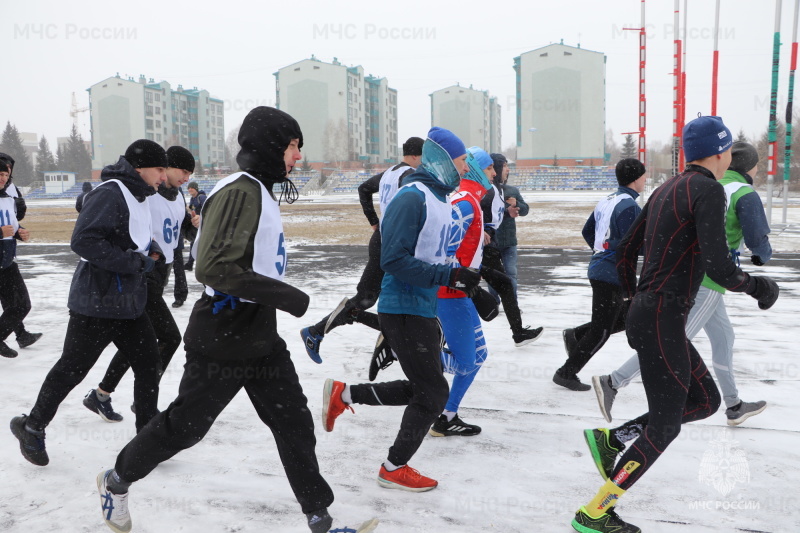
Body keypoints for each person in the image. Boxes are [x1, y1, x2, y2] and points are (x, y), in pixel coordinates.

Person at [95, 108, 376, 533]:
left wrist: (271, 301)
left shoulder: (260, 190)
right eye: (293, 146)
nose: (297, 157)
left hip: (258, 333)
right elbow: (211, 266)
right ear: (270, 145)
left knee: (293, 422)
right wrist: (288, 296)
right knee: (184, 429)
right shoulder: (240, 190)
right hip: (221, 336)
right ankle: (115, 482)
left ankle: (319, 518)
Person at [571, 116, 779, 533]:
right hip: (663, 316)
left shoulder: (666, 188)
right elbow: (720, 266)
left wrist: (635, 301)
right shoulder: (708, 190)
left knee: (705, 400)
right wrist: (758, 287)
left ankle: (614, 439)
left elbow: (626, 251)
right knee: (665, 428)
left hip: (653, 313)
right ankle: (595, 512)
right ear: (722, 154)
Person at [322, 127, 481, 493]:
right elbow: (393, 260)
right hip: (403, 306)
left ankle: (343, 395)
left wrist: (472, 283)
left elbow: (438, 256)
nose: (464, 169)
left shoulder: (441, 199)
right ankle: (394, 467)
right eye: (460, 162)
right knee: (433, 393)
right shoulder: (413, 197)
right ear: (442, 160)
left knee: (423, 388)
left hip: (422, 305)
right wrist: (450, 276)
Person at [10, 139, 167, 467]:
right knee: (73, 369)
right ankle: (32, 426)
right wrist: (136, 263)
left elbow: (128, 237)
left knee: (149, 360)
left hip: (127, 302)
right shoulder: (110, 192)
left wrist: (150, 248)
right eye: (160, 169)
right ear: (140, 168)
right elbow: (83, 241)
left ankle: (146, 439)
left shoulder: (140, 195)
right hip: (96, 302)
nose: (163, 176)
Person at [592, 141, 773, 426]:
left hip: (702, 276)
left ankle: (734, 404)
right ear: (749, 166)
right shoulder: (742, 192)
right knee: (668, 341)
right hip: (707, 279)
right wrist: (762, 261)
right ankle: (612, 382)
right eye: (756, 164)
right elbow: (758, 240)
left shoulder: (710, 183)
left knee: (724, 338)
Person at [83, 146, 199, 422]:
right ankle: (143, 399)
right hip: (143, 273)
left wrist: (191, 224)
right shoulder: (148, 192)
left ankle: (100, 395)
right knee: (168, 337)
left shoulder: (177, 194)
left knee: (138, 343)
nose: (186, 178)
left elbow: (176, 226)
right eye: (183, 172)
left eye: (189, 174)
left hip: (161, 274)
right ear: (166, 167)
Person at [299, 137, 423, 363]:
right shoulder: (408, 176)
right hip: (389, 244)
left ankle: (392, 343)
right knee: (366, 299)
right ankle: (315, 332)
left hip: (385, 240)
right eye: (423, 159)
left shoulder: (389, 173)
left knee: (391, 299)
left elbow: (364, 188)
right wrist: (376, 221)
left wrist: (374, 221)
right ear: (416, 156)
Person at [553, 159, 646, 392]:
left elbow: (587, 231)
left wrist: (600, 250)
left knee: (621, 320)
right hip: (611, 273)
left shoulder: (607, 200)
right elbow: (630, 246)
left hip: (600, 268)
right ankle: (566, 372)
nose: (645, 180)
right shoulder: (630, 207)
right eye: (644, 176)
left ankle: (577, 334)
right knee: (602, 331)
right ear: (635, 179)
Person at [429, 146, 497, 437]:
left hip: (461, 293)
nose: (494, 173)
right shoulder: (466, 202)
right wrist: (461, 280)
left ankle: (446, 416)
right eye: (490, 167)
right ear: (478, 168)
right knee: (467, 361)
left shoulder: (469, 201)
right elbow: (443, 249)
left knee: (478, 356)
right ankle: (402, 350)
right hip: (450, 294)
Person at [480, 163, 543, 347]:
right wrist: (482, 230)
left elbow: (521, 209)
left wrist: (512, 208)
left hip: (501, 243)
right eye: (492, 168)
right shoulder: (485, 190)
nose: (502, 171)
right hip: (482, 246)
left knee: (507, 281)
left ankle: (517, 331)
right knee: (466, 289)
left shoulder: (504, 189)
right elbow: (476, 212)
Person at [0, 152, 42, 350]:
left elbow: (12, 225)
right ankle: (21, 335)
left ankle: (21, 335)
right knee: (14, 305)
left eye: (6, 174)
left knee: (20, 305)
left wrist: (19, 233)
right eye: (0, 173)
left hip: (6, 260)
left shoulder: (9, 197)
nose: (3, 177)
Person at [486, 153, 528, 296]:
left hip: (509, 241)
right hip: (491, 242)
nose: (508, 170)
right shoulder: (486, 190)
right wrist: (505, 210)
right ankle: (494, 303)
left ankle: (512, 303)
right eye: (504, 166)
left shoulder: (512, 190)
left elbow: (525, 209)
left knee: (511, 275)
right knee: (493, 276)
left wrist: (518, 206)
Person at [170, 184, 192, 308]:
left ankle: (180, 294)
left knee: (178, 268)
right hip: (158, 238)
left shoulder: (177, 189)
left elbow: (182, 211)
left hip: (175, 235)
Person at [183, 181, 206, 270]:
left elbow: (208, 207)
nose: (190, 189)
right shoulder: (193, 199)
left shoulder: (201, 197)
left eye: (192, 188)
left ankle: (193, 264)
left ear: (196, 189)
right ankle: (190, 264)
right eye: (189, 188)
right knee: (194, 242)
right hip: (196, 225)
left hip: (203, 224)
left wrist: (202, 217)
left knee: (199, 244)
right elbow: (192, 209)